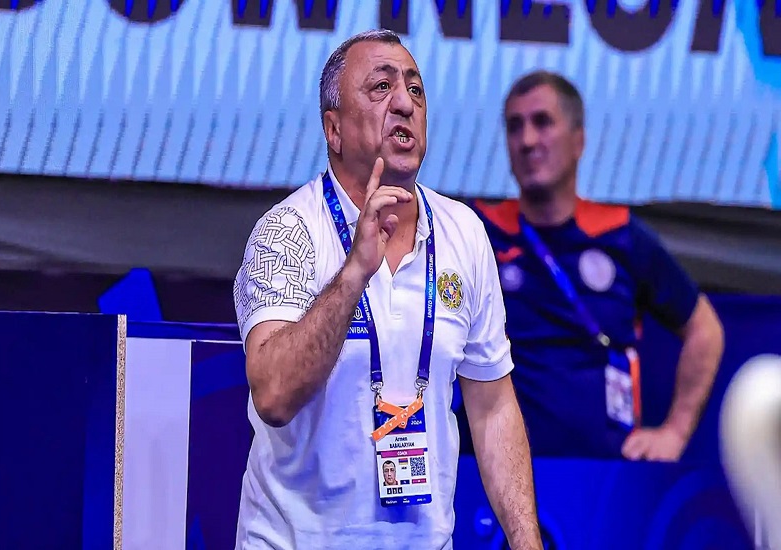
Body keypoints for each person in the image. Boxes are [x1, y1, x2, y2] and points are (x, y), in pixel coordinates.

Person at [232, 30, 541, 550]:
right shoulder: (287, 232)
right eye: (381, 87)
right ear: (333, 129)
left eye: (415, 89)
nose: (404, 103)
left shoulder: (463, 233)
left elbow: (492, 407)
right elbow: (274, 396)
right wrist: (355, 271)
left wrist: (526, 541)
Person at [471, 70, 725, 461]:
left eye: (542, 122)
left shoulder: (621, 234)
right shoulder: (478, 231)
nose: (527, 140)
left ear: (579, 140)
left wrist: (675, 432)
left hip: (606, 477)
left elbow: (705, 330)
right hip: (497, 473)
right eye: (514, 126)